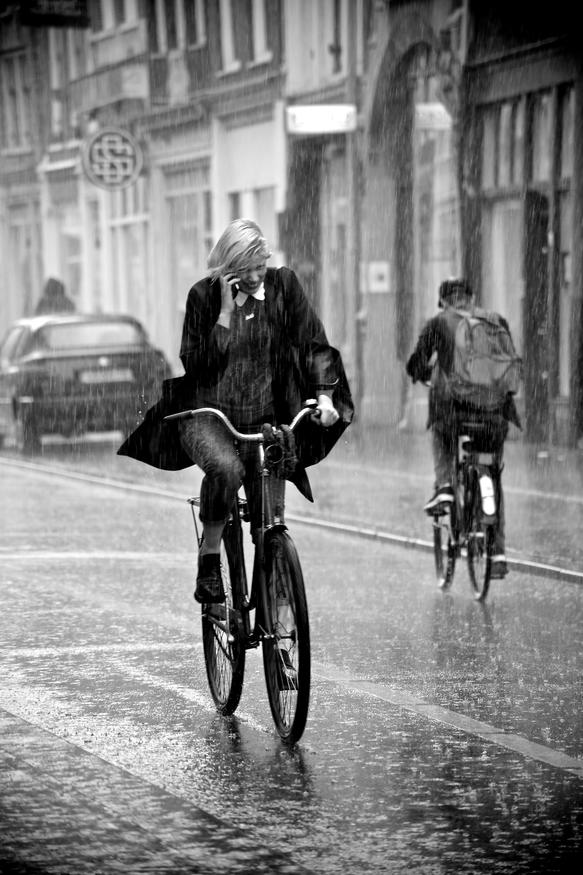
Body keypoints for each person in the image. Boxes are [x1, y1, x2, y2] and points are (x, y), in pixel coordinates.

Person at [118, 218, 353, 602]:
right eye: (247, 270)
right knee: (226, 469)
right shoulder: (203, 297)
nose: (258, 276)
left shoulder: (283, 286)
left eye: (262, 266)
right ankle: (210, 559)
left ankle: (274, 602)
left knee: (269, 520)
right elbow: (198, 366)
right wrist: (225, 316)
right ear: (228, 269)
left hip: (265, 419)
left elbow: (314, 345)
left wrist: (325, 395)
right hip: (208, 417)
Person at [406, 277, 521, 580]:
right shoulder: (495, 321)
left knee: (442, 436)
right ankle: (497, 553)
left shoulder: (439, 323)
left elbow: (415, 364)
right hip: (495, 415)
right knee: (492, 475)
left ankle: (444, 486)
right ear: (471, 298)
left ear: (444, 301)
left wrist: (423, 374)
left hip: (454, 413)